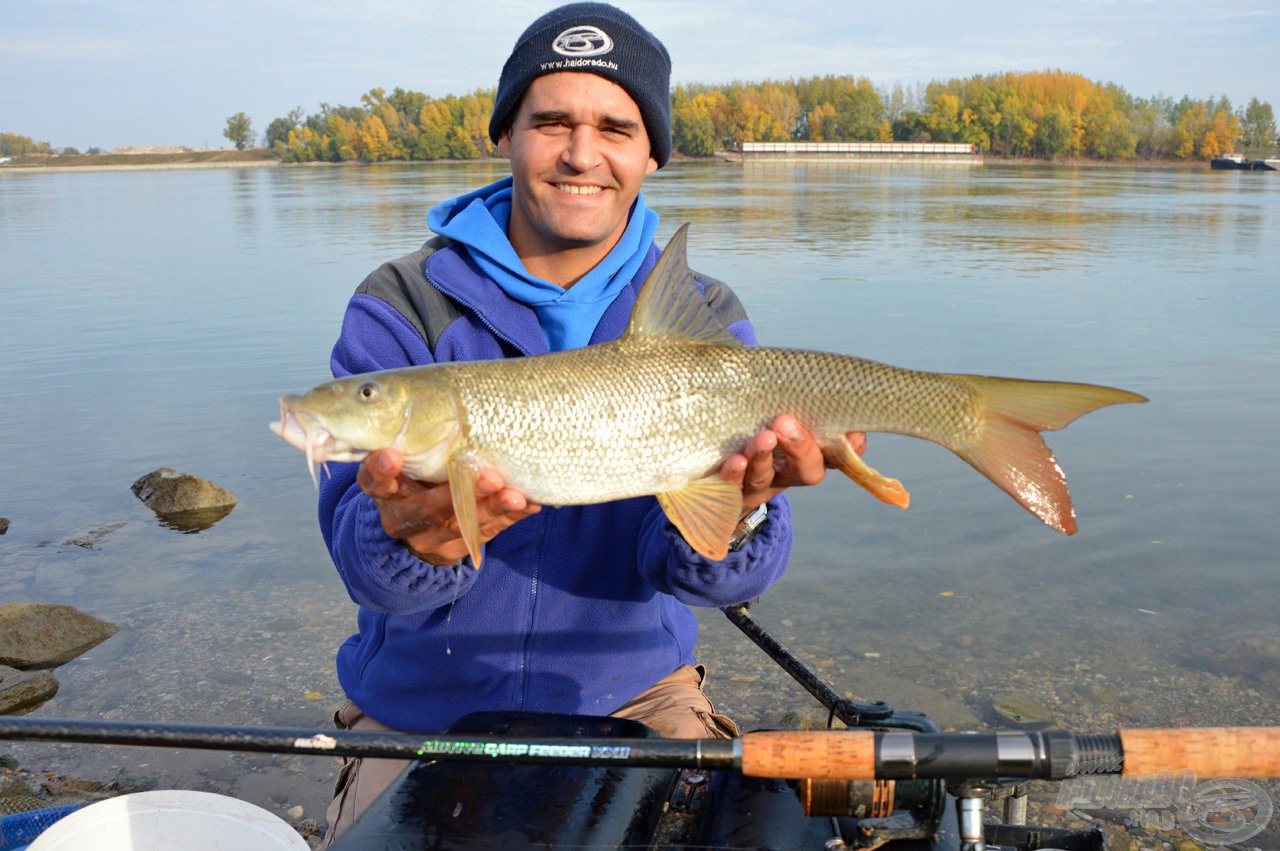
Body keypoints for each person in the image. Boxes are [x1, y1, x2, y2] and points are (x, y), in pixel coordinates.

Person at [315, 3, 864, 844]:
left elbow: (713, 581)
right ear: (505, 134)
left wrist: (744, 507)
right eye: (552, 121)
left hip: (639, 695)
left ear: (652, 153)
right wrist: (411, 537)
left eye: (615, 125)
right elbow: (365, 568)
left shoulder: (705, 316)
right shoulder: (403, 305)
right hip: (421, 706)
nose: (581, 152)